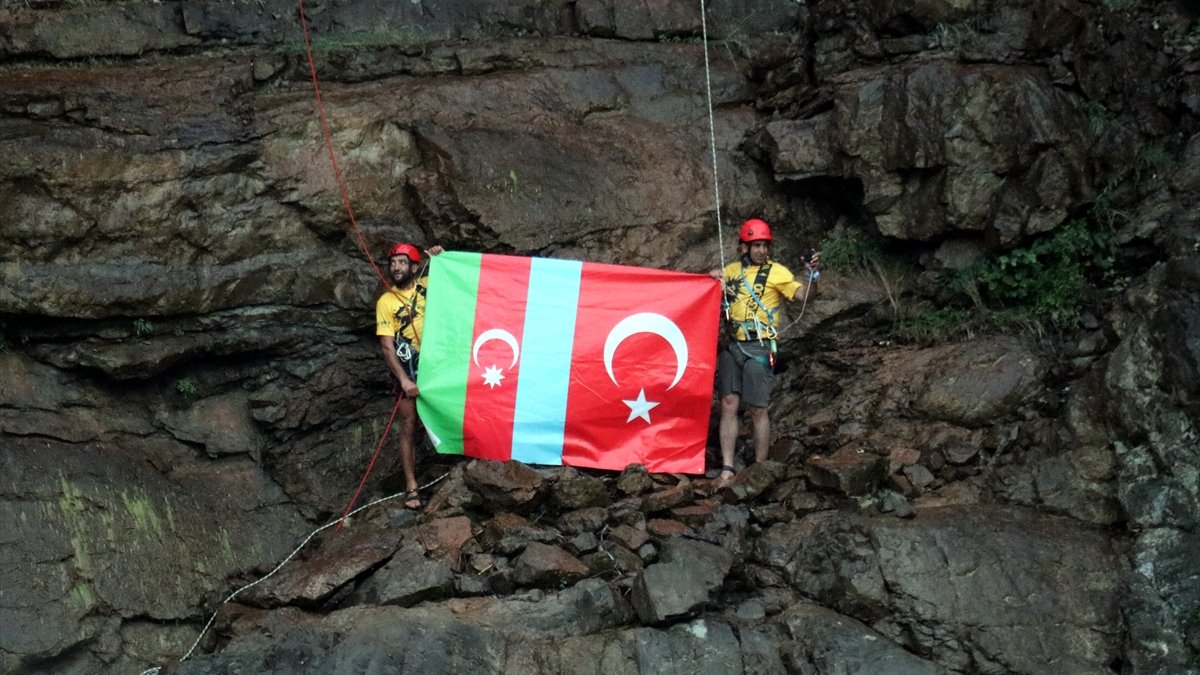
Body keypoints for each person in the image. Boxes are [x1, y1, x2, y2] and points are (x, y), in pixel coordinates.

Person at [710, 218, 820, 484]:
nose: (761, 250)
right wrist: (711, 278)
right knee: (728, 405)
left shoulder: (777, 272)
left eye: (764, 245)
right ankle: (727, 467)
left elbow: (805, 296)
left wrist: (812, 274)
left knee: (758, 409)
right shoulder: (731, 270)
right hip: (733, 344)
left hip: (759, 345)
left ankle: (760, 468)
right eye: (755, 245)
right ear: (743, 247)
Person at [376, 242, 444, 509]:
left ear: (414, 267)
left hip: (439, 364)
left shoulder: (429, 284)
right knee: (408, 425)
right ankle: (411, 486)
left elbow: (457, 281)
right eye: (393, 263)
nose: (396, 268)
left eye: (402, 263)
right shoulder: (386, 302)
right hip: (408, 367)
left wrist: (441, 257)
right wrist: (403, 379)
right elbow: (386, 344)